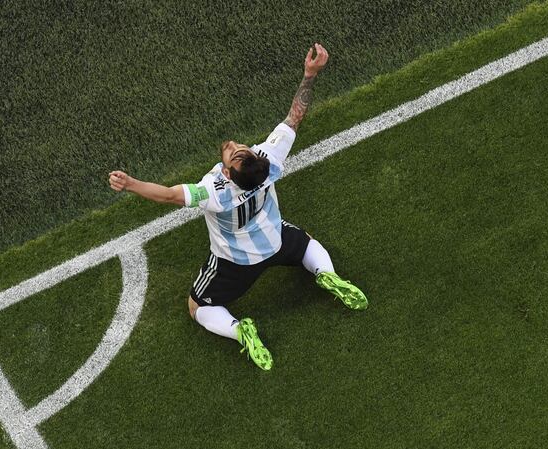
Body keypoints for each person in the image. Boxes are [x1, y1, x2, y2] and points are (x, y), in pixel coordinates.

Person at [108, 43, 367, 371]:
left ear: (228, 175)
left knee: (196, 306)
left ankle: (239, 330)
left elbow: (169, 195)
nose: (233, 144)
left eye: (233, 151)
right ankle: (327, 275)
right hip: (276, 239)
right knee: (305, 244)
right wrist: (309, 76)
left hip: (236, 262)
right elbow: (295, 116)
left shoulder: (214, 192)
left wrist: (130, 184)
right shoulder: (268, 161)